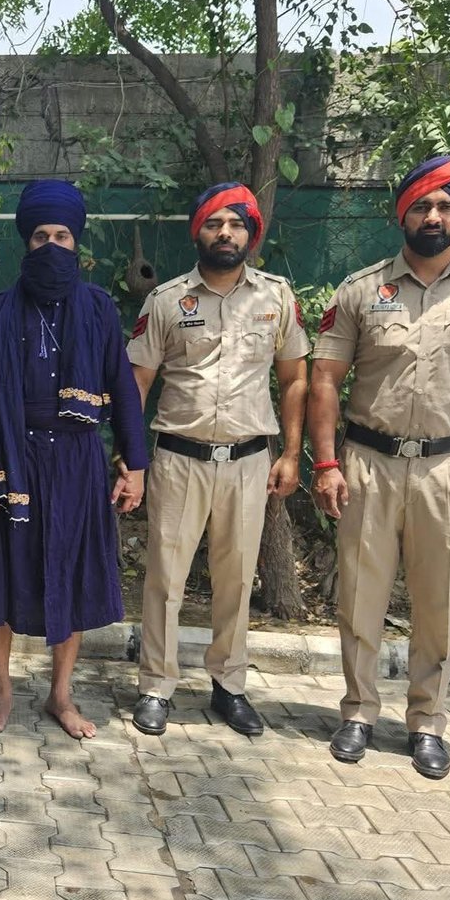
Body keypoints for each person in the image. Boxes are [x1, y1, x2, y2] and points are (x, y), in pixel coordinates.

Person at [309, 154, 450, 779]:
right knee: (360, 596)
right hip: (369, 464)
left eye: (446, 206)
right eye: (422, 205)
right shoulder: (361, 289)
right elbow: (325, 379)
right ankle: (358, 712)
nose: (434, 216)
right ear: (402, 214)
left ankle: (427, 722)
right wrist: (325, 463)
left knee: (439, 604)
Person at [0, 179, 148, 739]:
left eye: (61, 236)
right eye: (41, 236)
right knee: (1, 575)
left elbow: (123, 388)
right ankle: (2, 688)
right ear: (27, 242)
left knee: (73, 571)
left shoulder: (98, 308)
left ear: (76, 242)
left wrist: (134, 465)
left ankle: (61, 694)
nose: (51, 245)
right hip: (9, 461)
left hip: (77, 462)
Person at [127, 182, 310, 737]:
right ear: (198, 232)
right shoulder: (166, 301)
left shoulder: (276, 297)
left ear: (250, 233)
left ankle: (229, 685)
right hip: (179, 458)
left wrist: (292, 454)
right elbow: (138, 382)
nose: (225, 233)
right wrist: (130, 458)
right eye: (213, 223)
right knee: (166, 578)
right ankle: (156, 685)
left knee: (236, 579)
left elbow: (294, 378)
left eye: (235, 224)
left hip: (248, 461)